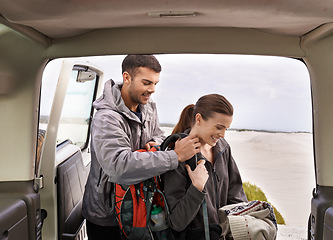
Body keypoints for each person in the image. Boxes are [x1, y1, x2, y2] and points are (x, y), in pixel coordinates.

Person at [82, 55, 201, 240]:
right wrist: (175, 156)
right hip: (108, 216)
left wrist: (157, 144)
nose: (152, 90)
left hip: (141, 207)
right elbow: (118, 167)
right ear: (127, 77)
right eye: (146, 83)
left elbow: (159, 134)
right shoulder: (106, 118)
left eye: (155, 83)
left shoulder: (149, 107)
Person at [163, 93, 248, 240]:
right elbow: (176, 222)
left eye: (226, 129)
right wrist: (197, 187)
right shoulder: (178, 156)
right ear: (199, 119)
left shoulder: (223, 148)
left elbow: (236, 196)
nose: (222, 135)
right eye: (219, 127)